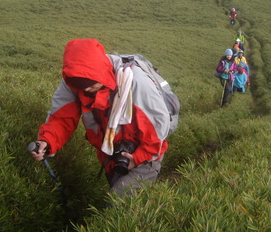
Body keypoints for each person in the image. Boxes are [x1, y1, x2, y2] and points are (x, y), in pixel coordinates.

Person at [29, 39, 170, 197]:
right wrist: (47, 141)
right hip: (110, 154)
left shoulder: (136, 83)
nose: (86, 89)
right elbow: (61, 118)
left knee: (117, 201)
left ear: (101, 73)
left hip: (146, 153)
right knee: (122, 200)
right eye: (80, 84)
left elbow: (157, 131)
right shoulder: (74, 82)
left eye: (90, 83)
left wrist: (137, 158)